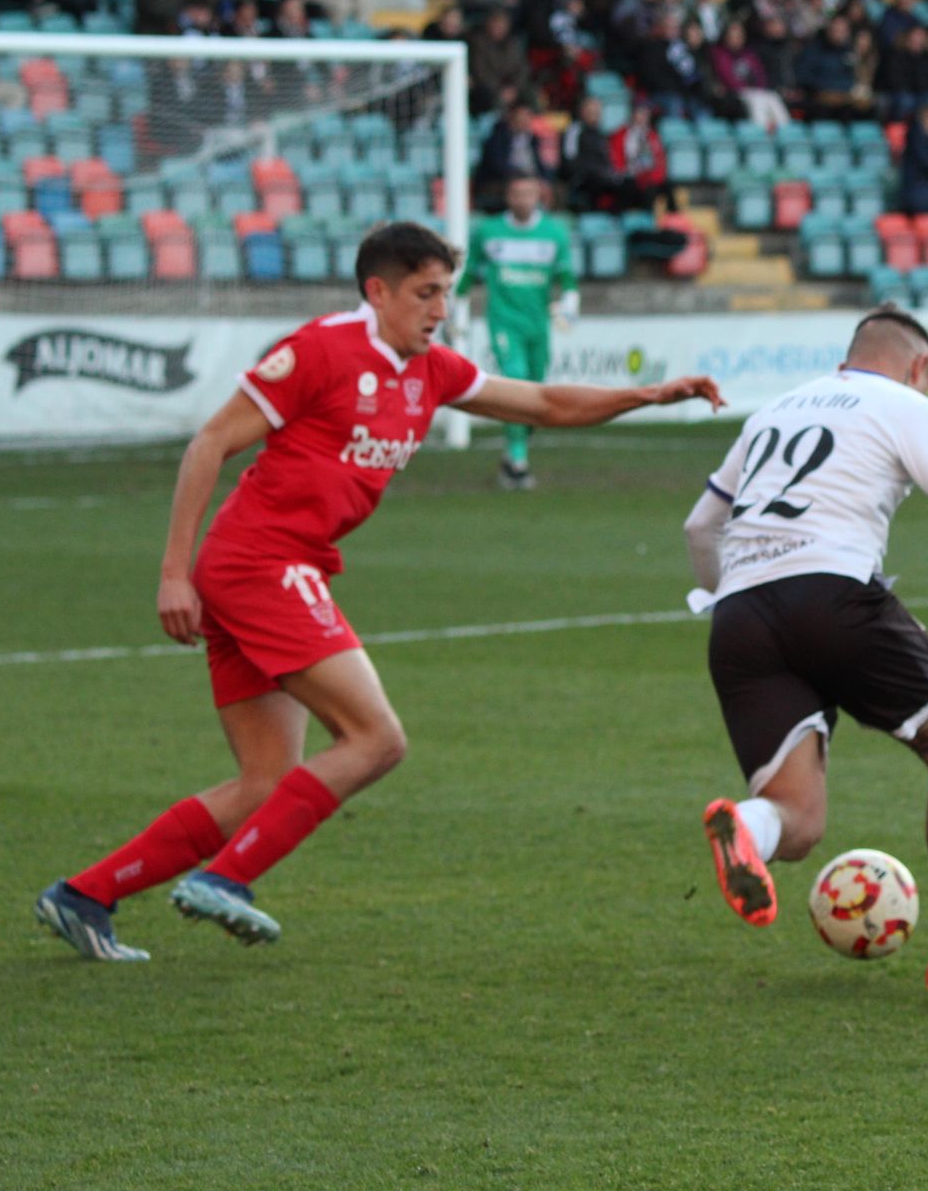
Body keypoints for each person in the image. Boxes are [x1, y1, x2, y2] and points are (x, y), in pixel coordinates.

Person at [35, 223, 722, 960]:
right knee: (375, 738)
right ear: (378, 291)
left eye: (446, 296)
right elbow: (209, 443)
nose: (439, 311)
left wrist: (646, 395)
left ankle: (85, 896)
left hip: (277, 567)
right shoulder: (321, 349)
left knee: (264, 786)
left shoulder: (432, 369)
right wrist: (174, 571)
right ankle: (226, 881)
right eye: (425, 294)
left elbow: (545, 404)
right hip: (261, 564)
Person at [684, 306, 928, 1002]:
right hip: (833, 595)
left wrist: (743, 599)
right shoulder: (903, 404)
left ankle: (744, 827)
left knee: (797, 820)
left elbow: (700, 525)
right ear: (919, 366)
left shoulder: (775, 411)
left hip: (740, 613)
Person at [453, 174, 578, 490]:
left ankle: (516, 447)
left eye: (528, 193)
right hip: (503, 321)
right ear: (508, 197)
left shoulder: (554, 233)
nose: (522, 199)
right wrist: (455, 309)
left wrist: (570, 303)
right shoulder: (489, 231)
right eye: (517, 194)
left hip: (538, 323)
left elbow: (566, 276)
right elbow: (468, 274)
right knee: (516, 377)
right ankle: (518, 460)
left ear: (539, 196)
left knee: (535, 389)